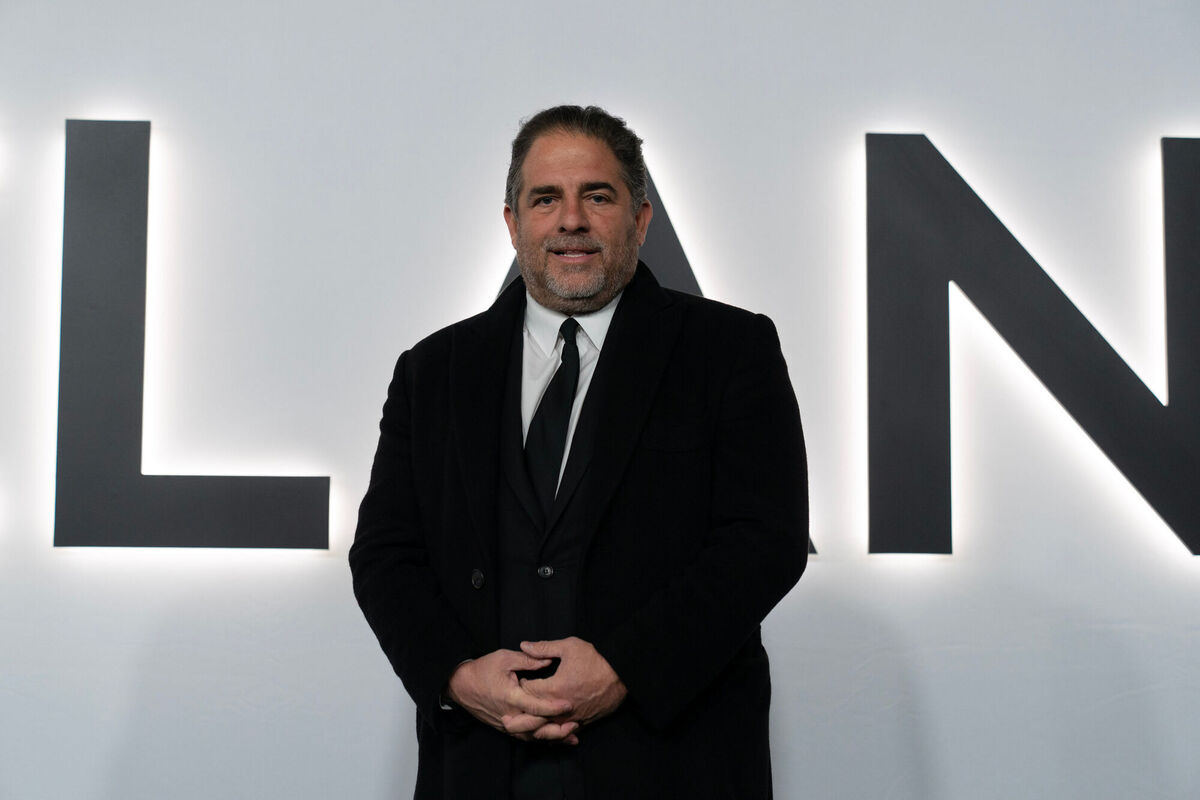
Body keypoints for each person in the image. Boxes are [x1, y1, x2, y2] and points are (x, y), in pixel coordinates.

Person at [350, 105, 808, 799]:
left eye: (597, 195)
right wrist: (455, 676)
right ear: (512, 223)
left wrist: (626, 667)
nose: (571, 220)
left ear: (641, 218)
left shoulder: (730, 351)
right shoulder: (432, 370)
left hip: (672, 764)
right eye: (545, 199)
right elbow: (385, 553)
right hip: (479, 768)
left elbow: (764, 541)